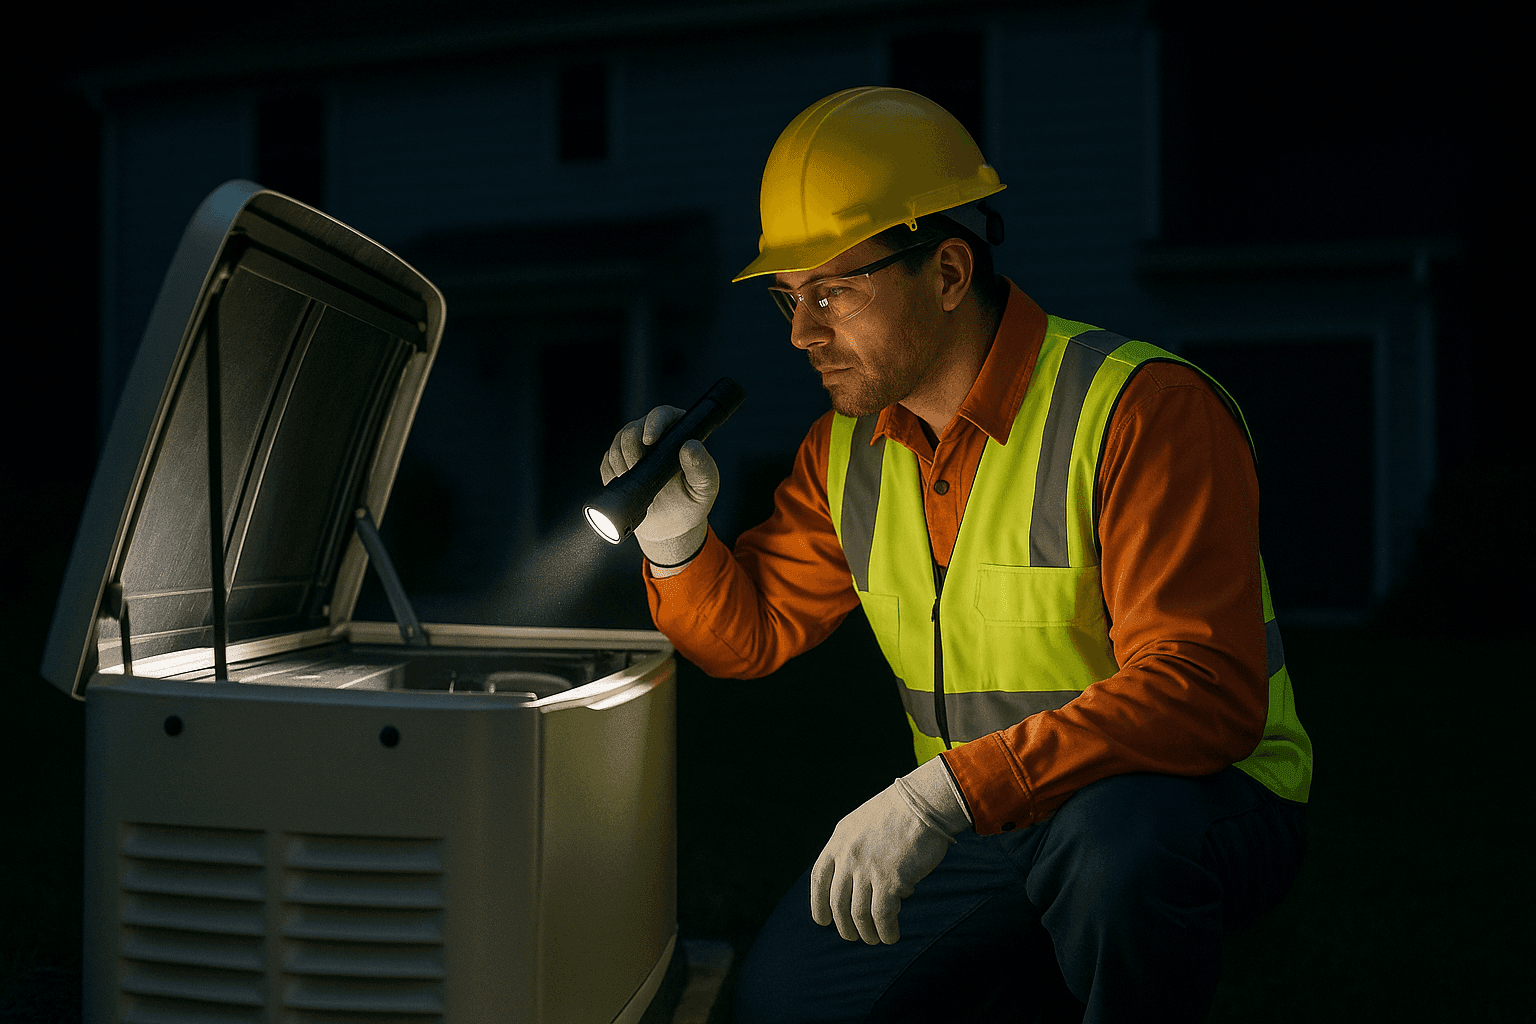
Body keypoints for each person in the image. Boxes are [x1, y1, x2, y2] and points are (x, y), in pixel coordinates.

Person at [600, 87, 1312, 1023]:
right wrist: (675, 539)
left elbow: (1201, 691)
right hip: (988, 813)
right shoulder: (845, 452)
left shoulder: (1142, 411)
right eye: (788, 298)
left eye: (831, 293)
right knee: (781, 1004)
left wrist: (941, 795)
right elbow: (751, 637)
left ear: (945, 272)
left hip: (1186, 796)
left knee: (1115, 855)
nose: (801, 333)